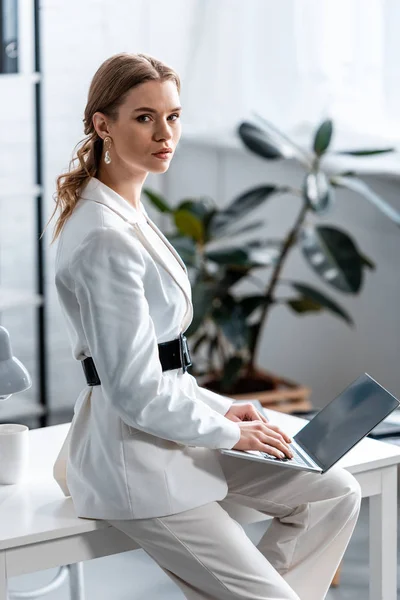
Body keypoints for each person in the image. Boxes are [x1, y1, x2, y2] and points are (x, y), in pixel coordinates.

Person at [45, 53, 361, 600]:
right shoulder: (104, 238)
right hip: (137, 462)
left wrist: (219, 407)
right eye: (144, 117)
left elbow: (163, 362)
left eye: (173, 116)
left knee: (332, 492)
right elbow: (133, 389)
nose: (165, 134)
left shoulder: (128, 210)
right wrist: (230, 432)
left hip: (174, 425)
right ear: (103, 124)